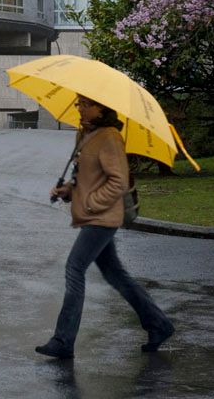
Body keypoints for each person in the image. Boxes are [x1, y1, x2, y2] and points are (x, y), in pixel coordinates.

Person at [35, 94, 174, 360]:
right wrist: (66, 191)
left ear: (102, 108)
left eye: (86, 104)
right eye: (78, 103)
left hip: (103, 216)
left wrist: (89, 202)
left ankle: (63, 340)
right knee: (115, 274)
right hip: (94, 215)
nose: (80, 108)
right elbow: (87, 178)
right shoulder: (86, 134)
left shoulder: (109, 137)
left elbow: (118, 182)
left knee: (74, 269)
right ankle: (159, 325)